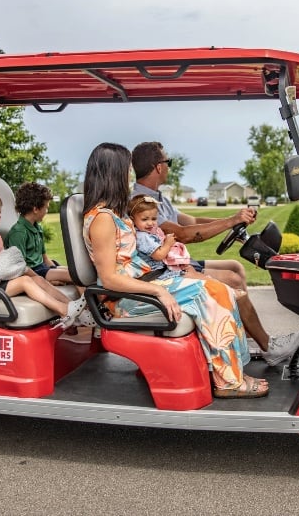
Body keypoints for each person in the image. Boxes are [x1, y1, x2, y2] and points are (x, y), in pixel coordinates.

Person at [83, 143, 268, 398]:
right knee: (213, 293)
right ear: (112, 174)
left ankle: (231, 371)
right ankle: (228, 381)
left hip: (148, 283)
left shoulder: (117, 213)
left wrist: (182, 273)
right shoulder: (102, 219)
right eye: (126, 171)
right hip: (128, 299)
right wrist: (159, 293)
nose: (129, 176)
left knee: (223, 290)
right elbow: (110, 278)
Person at [131, 141, 299, 367]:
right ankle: (268, 346)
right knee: (233, 281)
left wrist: (231, 220)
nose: (169, 167)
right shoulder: (143, 204)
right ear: (159, 167)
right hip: (167, 268)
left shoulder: (157, 197)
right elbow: (184, 234)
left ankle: (251, 337)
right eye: (168, 162)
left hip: (175, 261)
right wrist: (231, 221)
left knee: (235, 267)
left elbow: (191, 221)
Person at [0, 189, 88, 326]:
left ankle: (73, 307)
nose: (0, 217)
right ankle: (64, 311)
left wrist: (31, 274)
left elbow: (6, 263)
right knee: (25, 282)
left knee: (38, 279)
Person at [128, 193, 212, 282]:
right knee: (195, 276)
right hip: (156, 273)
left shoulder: (150, 233)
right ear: (132, 219)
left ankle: (207, 282)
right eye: (145, 219)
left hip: (163, 269)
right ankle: (208, 283)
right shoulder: (142, 236)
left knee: (192, 270)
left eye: (154, 219)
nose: (150, 223)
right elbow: (159, 255)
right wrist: (168, 243)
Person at [8, 182, 75, 285]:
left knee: (76, 272)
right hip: (34, 271)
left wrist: (54, 270)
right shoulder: (18, 233)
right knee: (74, 276)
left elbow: (45, 258)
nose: (47, 211)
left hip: (42, 266)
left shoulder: (37, 228)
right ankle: (86, 300)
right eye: (46, 207)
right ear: (35, 209)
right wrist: (46, 280)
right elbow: (20, 268)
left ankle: (88, 299)